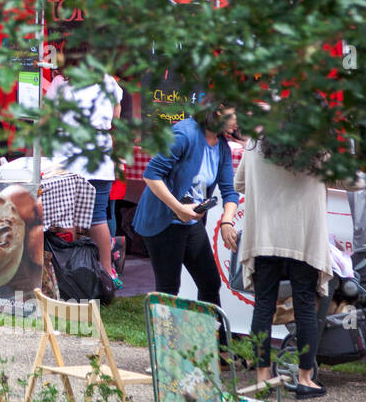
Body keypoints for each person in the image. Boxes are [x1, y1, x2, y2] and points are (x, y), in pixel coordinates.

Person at [237, 133, 355, 399]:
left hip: (265, 238)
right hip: (303, 241)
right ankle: (304, 379)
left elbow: (239, 183)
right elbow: (354, 181)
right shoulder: (318, 149)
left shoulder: (255, 143)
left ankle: (262, 377)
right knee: (305, 307)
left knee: (263, 306)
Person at [132, 98, 241, 325]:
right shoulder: (184, 134)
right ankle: (165, 351)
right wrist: (178, 208)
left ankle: (214, 349)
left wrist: (227, 222)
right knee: (168, 288)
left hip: (190, 222)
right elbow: (151, 175)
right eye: (237, 114)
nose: (240, 122)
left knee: (210, 282)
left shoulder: (222, 145)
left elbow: (229, 191)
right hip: (163, 220)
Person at [45, 38, 123, 283]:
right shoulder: (108, 82)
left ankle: (72, 271)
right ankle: (106, 272)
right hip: (99, 156)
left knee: (65, 218)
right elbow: (116, 119)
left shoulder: (60, 84)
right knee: (98, 216)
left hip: (68, 157)